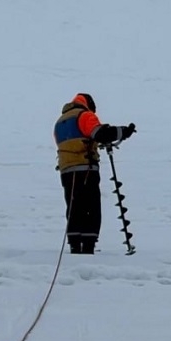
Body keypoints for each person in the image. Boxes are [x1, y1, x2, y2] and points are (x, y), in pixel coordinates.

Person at [53, 93, 135, 254]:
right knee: (91, 208)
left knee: (74, 207)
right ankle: (88, 246)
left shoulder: (60, 122)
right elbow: (100, 134)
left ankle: (75, 246)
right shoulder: (84, 115)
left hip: (66, 170)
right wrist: (123, 132)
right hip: (85, 168)